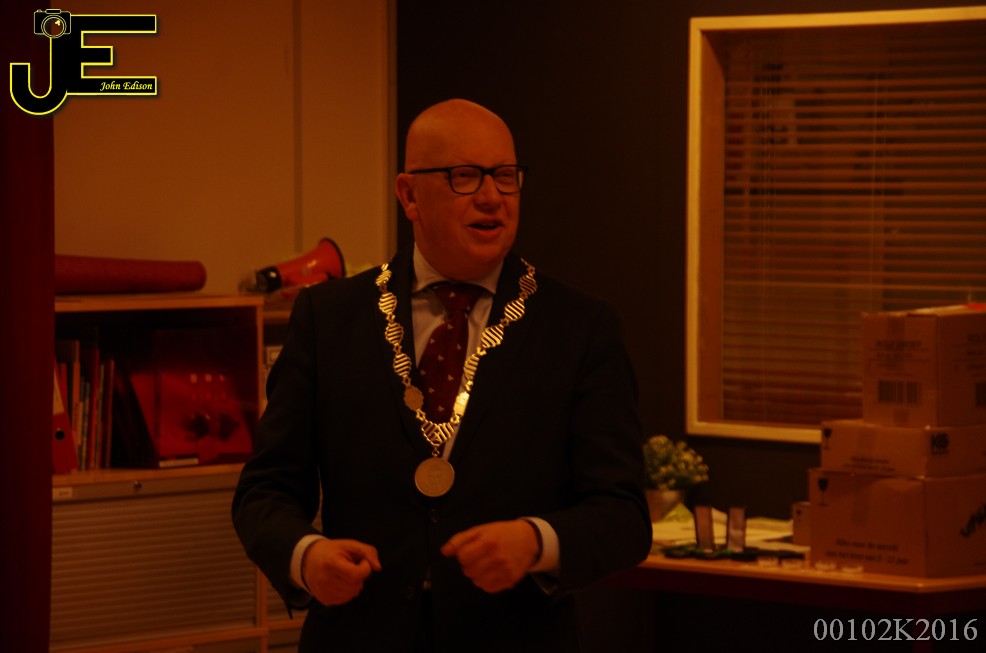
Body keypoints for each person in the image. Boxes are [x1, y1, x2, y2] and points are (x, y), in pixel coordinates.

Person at [232, 98, 652, 652]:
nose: (492, 197)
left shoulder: (580, 328)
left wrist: (536, 541)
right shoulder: (329, 319)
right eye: (464, 177)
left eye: (506, 176)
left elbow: (624, 517)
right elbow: (264, 491)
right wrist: (306, 556)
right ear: (409, 195)